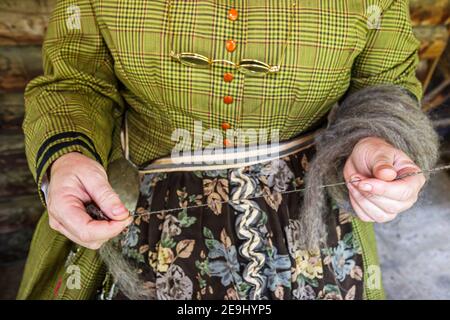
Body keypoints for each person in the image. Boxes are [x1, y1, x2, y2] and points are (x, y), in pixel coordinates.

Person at [18, 0, 438, 300]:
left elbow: (386, 85)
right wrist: (67, 154)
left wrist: (379, 140)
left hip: (311, 217)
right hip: (131, 202)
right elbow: (75, 82)